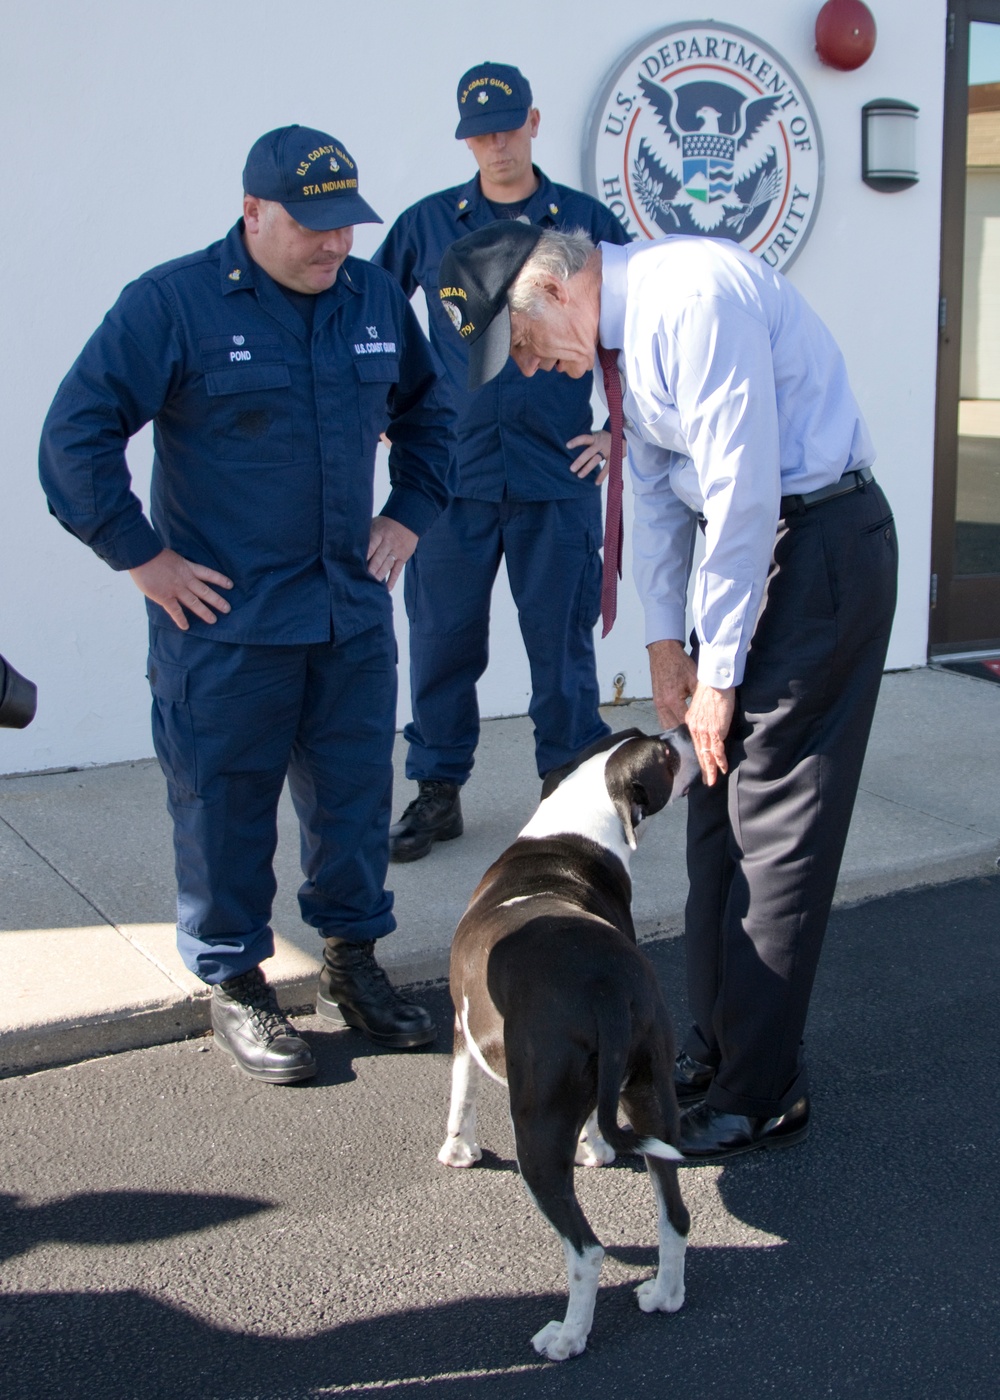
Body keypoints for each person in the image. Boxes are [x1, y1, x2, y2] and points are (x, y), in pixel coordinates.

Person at [434, 222, 898, 1163]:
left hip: (816, 550)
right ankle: (720, 1053)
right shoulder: (620, 341)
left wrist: (717, 671)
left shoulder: (693, 302)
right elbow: (651, 488)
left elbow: (742, 492)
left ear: (558, 291)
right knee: (715, 810)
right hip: (758, 560)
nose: (530, 366)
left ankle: (762, 1091)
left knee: (774, 827)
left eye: (523, 343)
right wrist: (663, 645)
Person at [39, 126, 455, 1084]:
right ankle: (237, 981)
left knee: (354, 807)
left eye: (346, 226)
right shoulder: (173, 304)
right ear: (253, 213)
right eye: (312, 227)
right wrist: (142, 559)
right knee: (223, 808)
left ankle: (352, 963)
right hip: (224, 631)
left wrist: (410, 516)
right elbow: (75, 437)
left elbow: (431, 416)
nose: (333, 245)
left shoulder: (375, 299)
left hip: (348, 619)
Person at [371, 62, 630, 863]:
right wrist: (385, 412)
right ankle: (438, 789)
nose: (496, 144)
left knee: (561, 641)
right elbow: (371, 313)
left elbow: (631, 332)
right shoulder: (427, 224)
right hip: (450, 478)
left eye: (508, 127)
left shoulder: (583, 221)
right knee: (444, 637)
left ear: (534, 123)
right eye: (481, 131)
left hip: (555, 474)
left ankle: (568, 788)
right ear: (466, 136)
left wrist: (622, 432)